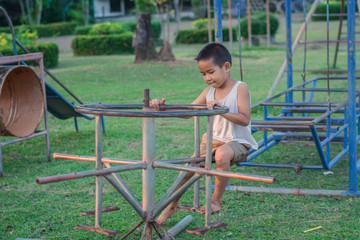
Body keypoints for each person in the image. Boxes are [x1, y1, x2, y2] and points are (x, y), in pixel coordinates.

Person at [150, 43, 258, 224]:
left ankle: (216, 200)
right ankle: (172, 205)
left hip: (237, 141)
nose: (207, 78)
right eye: (203, 74)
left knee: (222, 155)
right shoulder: (209, 92)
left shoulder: (240, 88)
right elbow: (188, 112)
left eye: (211, 72)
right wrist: (163, 108)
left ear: (226, 67)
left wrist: (221, 110)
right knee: (189, 167)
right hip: (212, 140)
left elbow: (245, 118)